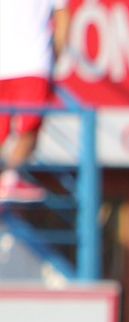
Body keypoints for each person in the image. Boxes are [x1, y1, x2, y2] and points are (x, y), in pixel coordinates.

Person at [0, 0, 68, 204]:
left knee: (27, 127)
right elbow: (64, 20)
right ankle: (10, 178)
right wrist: (53, 60)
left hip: (26, 62)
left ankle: (9, 179)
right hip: (33, 63)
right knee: (29, 127)